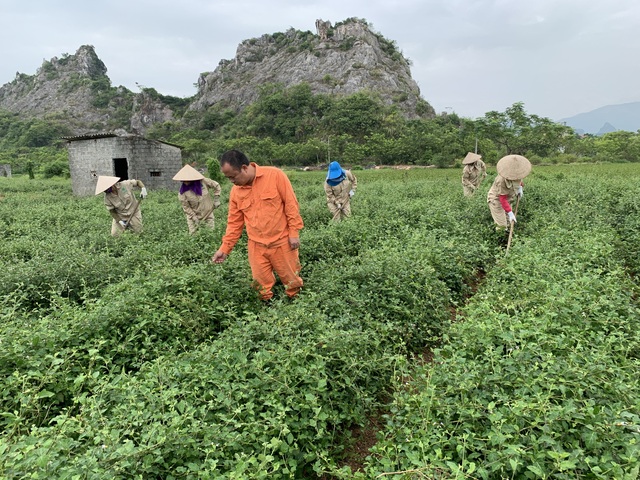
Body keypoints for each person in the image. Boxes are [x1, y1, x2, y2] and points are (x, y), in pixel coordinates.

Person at [211, 150, 304, 301]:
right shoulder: (236, 192)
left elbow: (291, 205)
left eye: (233, 176)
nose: (231, 181)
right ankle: (266, 313)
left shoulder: (275, 175)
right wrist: (225, 248)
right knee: (260, 287)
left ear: (244, 168)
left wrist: (294, 233)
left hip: (282, 242)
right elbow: (234, 223)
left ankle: (296, 307)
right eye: (228, 178)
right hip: (256, 246)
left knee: (292, 281)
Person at [172, 164, 222, 234]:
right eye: (183, 180)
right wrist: (194, 218)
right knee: (193, 235)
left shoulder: (204, 182)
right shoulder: (182, 193)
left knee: (210, 233)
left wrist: (216, 199)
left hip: (208, 213)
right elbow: (186, 207)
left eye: (187, 180)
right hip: (193, 216)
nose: (185, 182)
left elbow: (216, 186)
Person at [487, 154, 532, 231]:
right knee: (502, 226)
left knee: (509, 222)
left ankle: (506, 237)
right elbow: (502, 199)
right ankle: (499, 240)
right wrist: (510, 213)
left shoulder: (518, 173)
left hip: (508, 200)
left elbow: (519, 180)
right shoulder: (501, 181)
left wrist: (520, 187)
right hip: (496, 200)